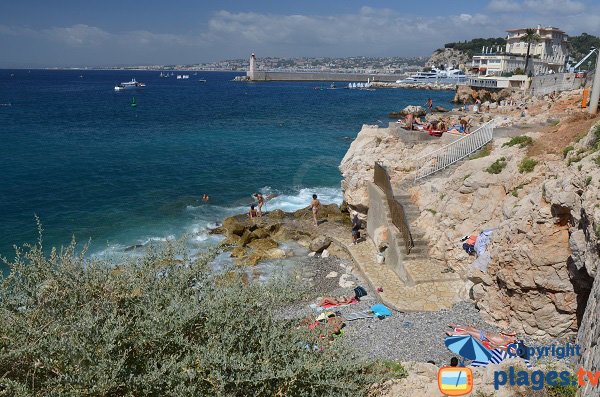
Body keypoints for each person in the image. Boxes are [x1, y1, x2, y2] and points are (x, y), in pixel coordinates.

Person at [447, 324, 517, 349]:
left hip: (484, 337)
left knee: (469, 332)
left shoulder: (505, 342)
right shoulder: (507, 337)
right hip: (485, 333)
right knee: (469, 327)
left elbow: (496, 344)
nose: (513, 336)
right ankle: (455, 326)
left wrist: (488, 339)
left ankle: (452, 333)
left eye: (514, 337)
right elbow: (506, 332)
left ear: (513, 341)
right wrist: (510, 335)